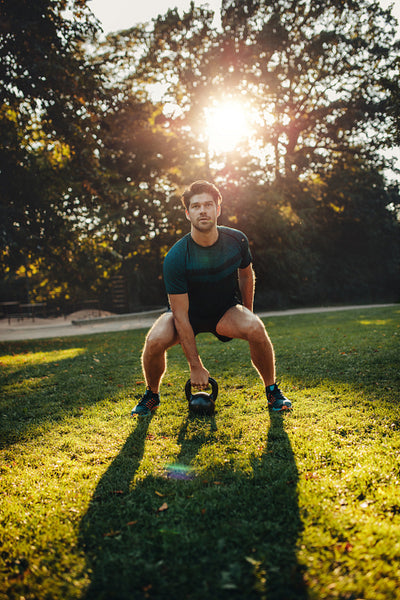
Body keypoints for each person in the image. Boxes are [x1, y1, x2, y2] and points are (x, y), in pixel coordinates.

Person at [131, 180, 292, 416]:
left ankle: (272, 391)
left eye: (208, 204)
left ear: (218, 209)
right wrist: (195, 367)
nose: (203, 210)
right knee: (154, 340)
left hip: (224, 311)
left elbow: (246, 275)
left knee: (256, 328)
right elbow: (180, 315)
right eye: (196, 206)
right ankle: (151, 396)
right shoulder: (176, 257)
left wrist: (247, 311)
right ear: (187, 213)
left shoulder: (237, 241)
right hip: (187, 315)